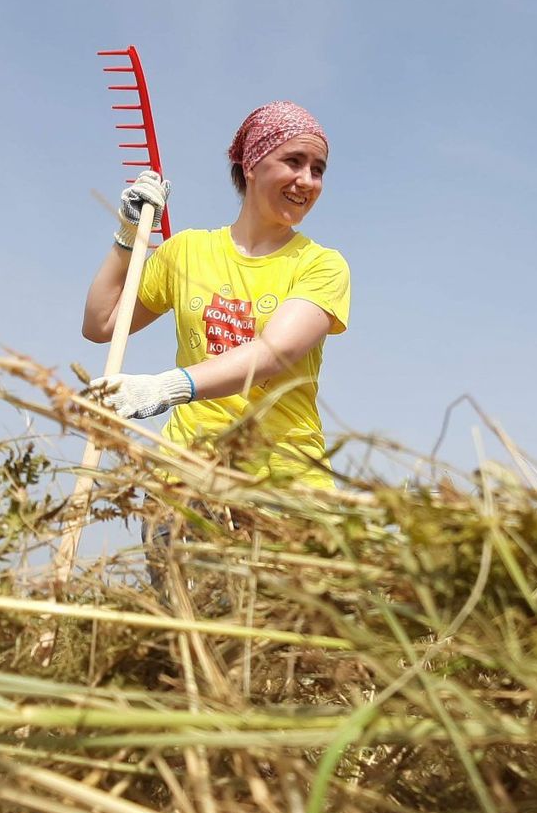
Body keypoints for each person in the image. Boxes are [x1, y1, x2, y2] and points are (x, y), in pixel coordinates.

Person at [81, 102, 350, 593]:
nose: (307, 181)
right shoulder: (187, 251)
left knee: (290, 652)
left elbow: (274, 353)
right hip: (187, 478)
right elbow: (102, 323)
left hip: (284, 483)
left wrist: (168, 386)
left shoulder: (322, 265)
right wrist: (125, 239)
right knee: (191, 643)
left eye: (318, 170)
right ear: (251, 163)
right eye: (293, 162)